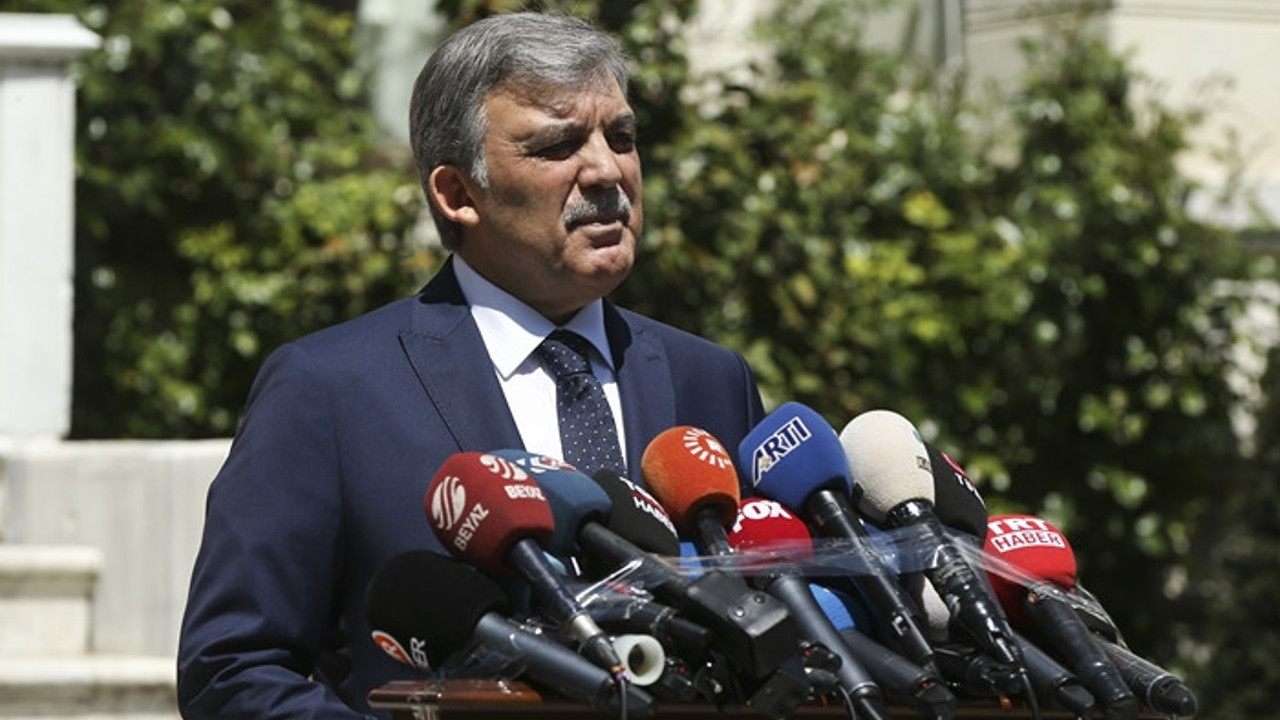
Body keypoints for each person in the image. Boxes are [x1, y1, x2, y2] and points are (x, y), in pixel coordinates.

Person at [176, 11, 766, 719]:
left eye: (621, 138)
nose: (608, 170)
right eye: (558, 146)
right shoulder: (328, 389)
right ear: (457, 194)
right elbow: (232, 672)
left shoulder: (711, 379)